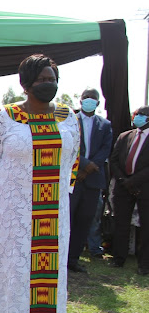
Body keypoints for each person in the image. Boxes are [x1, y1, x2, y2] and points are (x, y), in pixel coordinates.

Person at [0, 54, 79, 313]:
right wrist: (15, 186)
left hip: (53, 212)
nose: (49, 84)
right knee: (12, 270)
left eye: (53, 79)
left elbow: (72, 161)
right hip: (14, 210)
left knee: (46, 273)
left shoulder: (68, 117)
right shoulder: (4, 117)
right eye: (43, 79)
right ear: (26, 83)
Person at [67, 89, 112, 273]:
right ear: (81, 100)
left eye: (93, 99)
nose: (89, 102)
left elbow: (105, 148)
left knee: (85, 220)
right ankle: (61, 258)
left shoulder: (105, 124)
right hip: (73, 178)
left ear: (98, 103)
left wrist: (92, 166)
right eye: (86, 98)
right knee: (67, 219)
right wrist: (83, 165)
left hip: (93, 180)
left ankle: (73, 259)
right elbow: (69, 145)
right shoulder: (70, 121)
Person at [108, 106, 149, 274]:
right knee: (121, 224)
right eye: (136, 114)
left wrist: (134, 181)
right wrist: (123, 180)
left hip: (144, 188)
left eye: (141, 115)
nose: (137, 117)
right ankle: (119, 258)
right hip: (123, 186)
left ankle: (144, 264)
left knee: (146, 227)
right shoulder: (125, 136)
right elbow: (114, 160)